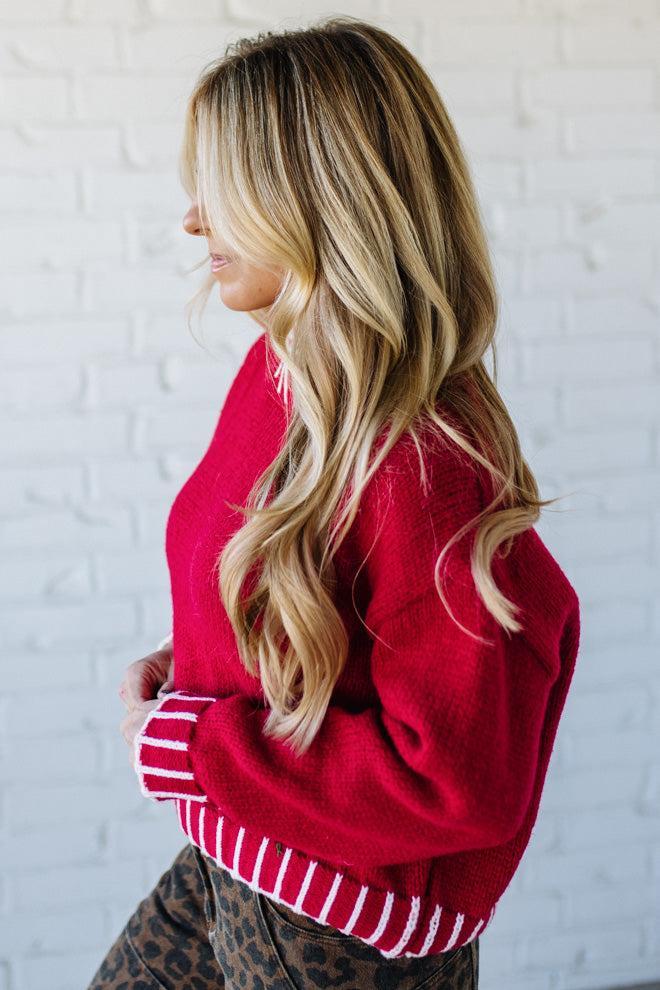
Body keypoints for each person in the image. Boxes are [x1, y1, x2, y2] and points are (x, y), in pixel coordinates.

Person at [87, 15, 580, 989]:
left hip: (337, 921)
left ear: (319, 199)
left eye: (223, 189)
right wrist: (202, 664)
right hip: (242, 852)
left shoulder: (422, 461)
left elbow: (457, 780)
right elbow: (320, 595)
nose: (193, 221)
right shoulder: (283, 375)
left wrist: (199, 746)